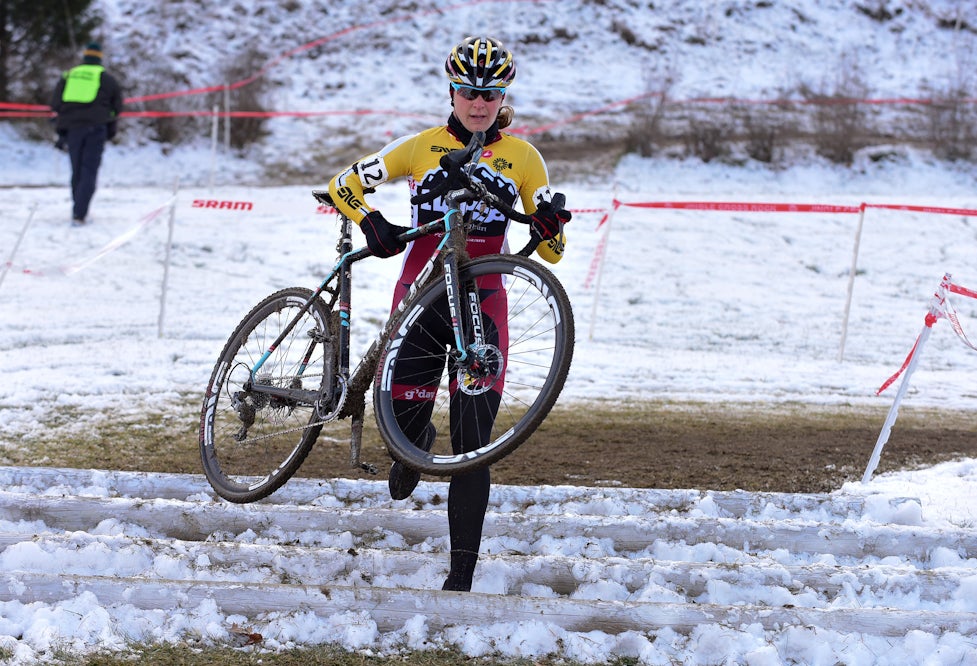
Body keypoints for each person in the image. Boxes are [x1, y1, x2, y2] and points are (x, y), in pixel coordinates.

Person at [327, 36, 572, 592]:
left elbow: (554, 253)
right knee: (403, 424)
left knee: (474, 443)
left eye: (489, 94)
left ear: (502, 97)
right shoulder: (420, 147)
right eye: (468, 92)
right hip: (420, 298)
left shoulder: (524, 158)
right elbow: (345, 184)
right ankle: (414, 444)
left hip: (484, 305)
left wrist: (549, 229)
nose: (478, 103)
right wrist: (371, 222)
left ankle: (461, 576)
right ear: (452, 92)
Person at [50, 41, 123, 226]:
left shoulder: (69, 75)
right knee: (89, 170)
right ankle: (80, 213)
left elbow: (56, 104)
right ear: (100, 59)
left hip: (73, 130)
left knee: (76, 170)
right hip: (96, 129)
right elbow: (117, 107)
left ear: (84, 57)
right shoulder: (107, 79)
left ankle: (77, 208)